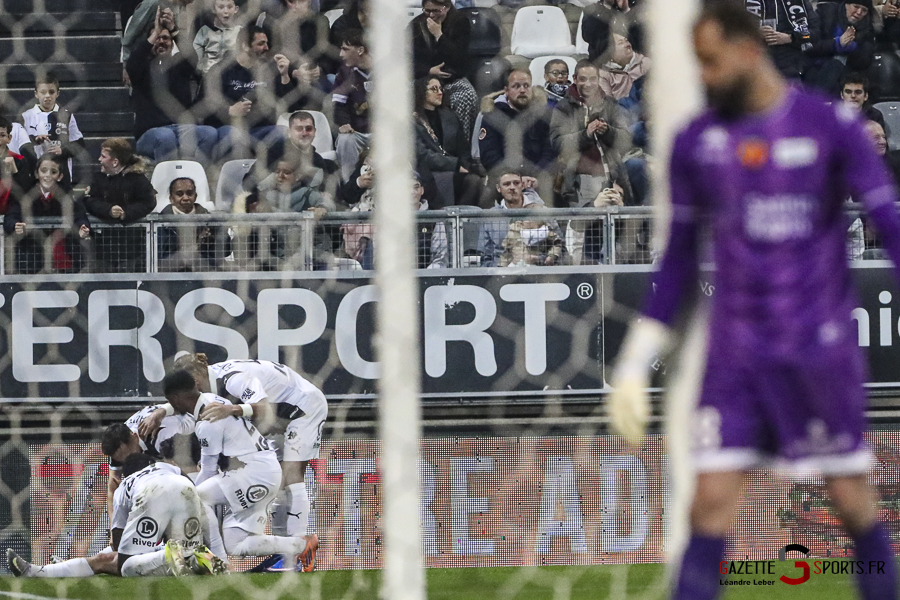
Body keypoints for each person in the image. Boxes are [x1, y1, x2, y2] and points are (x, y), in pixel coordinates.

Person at [608, 5, 899, 599]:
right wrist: (637, 360)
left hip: (819, 349)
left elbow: (889, 222)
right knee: (708, 502)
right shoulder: (699, 140)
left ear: (747, 50)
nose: (705, 77)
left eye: (711, 62)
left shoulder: (830, 125)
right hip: (738, 352)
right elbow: (679, 261)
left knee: (853, 504)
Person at [141, 356, 327, 569]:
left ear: (199, 377)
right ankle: (295, 546)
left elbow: (265, 408)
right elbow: (184, 399)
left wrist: (234, 409)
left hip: (303, 406)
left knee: (292, 477)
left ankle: (286, 558)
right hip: (263, 454)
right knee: (235, 542)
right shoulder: (210, 395)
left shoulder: (233, 382)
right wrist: (161, 411)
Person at [202, 23, 305, 161]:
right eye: (261, 43)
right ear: (245, 45)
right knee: (234, 136)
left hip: (261, 130)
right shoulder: (221, 70)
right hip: (230, 128)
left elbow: (290, 105)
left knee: (282, 133)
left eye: (267, 43)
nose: (266, 48)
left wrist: (284, 75)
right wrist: (229, 110)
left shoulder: (268, 69)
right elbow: (204, 105)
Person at [127, 24, 218, 163]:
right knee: (165, 136)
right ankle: (167, 181)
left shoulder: (180, 67)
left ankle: (195, 176)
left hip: (182, 129)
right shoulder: (142, 68)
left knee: (209, 133)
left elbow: (192, 57)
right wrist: (154, 34)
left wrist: (175, 30)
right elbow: (132, 64)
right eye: (157, 38)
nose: (162, 41)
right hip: (151, 133)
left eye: (166, 38)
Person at [478, 69, 557, 202]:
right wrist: (514, 179)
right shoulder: (493, 115)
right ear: (506, 90)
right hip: (504, 181)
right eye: (516, 86)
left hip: (537, 179)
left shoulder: (543, 116)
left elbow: (550, 151)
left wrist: (535, 176)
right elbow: (489, 155)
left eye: (526, 86)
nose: (522, 90)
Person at [3, 155, 91, 274]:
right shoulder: (26, 196)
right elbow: (11, 216)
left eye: (53, 172)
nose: (47, 175)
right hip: (32, 258)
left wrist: (83, 227)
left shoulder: (67, 197)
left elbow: (80, 216)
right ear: (36, 174)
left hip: (63, 259)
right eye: (43, 171)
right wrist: (15, 225)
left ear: (60, 176)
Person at [83, 138, 157, 273]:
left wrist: (126, 213)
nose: (99, 159)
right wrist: (108, 210)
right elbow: (89, 201)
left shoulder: (137, 179)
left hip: (131, 245)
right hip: (103, 244)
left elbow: (148, 202)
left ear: (115, 162)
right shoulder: (98, 178)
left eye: (103, 156)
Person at [410, 0, 477, 145]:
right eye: (427, 11)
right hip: (422, 78)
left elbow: (460, 58)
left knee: (467, 95)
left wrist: (439, 36)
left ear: (446, 8)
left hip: (451, 79)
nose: (431, 15)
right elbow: (406, 60)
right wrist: (429, 70)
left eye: (436, 11)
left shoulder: (460, 22)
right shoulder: (416, 24)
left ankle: (460, 147)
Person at [413, 77, 479, 207]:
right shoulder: (412, 120)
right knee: (473, 182)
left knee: (479, 183)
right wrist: (455, 165)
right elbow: (422, 154)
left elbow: (463, 148)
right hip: (430, 172)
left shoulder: (450, 116)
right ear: (421, 92)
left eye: (440, 88)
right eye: (434, 89)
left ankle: (461, 221)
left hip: (456, 170)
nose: (440, 92)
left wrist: (464, 165)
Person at [477, 167, 562, 267]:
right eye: (506, 184)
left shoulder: (542, 211)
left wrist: (540, 259)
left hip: (539, 270)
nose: (512, 187)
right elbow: (485, 258)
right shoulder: (491, 217)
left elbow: (561, 246)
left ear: (522, 186)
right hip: (502, 273)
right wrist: (503, 267)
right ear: (498, 188)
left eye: (516, 183)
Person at [21, 72, 87, 188]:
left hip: (61, 173)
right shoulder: (26, 116)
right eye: (43, 92)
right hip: (35, 172)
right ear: (36, 94)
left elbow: (79, 143)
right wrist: (35, 140)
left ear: (58, 93)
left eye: (51, 92)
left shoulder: (66, 115)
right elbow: (19, 145)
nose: (47, 96)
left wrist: (63, 150)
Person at [804, 0, 875, 94]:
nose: (859, 12)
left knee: (838, 67)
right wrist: (836, 44)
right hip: (815, 66)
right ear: (846, 5)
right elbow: (807, 45)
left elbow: (864, 61)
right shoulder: (826, 13)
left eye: (864, 10)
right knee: (833, 67)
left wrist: (852, 48)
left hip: (847, 73)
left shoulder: (867, 28)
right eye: (856, 7)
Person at [332, 29, 372, 182]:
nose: (341, 54)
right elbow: (338, 105)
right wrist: (343, 123)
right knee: (345, 140)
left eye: (345, 49)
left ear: (360, 50)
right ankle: (350, 189)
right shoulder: (344, 72)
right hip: (357, 132)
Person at [157, 177, 220, 271]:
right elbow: (158, 255)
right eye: (179, 194)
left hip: (204, 273)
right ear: (171, 198)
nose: (185, 198)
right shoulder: (159, 223)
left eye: (189, 193)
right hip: (172, 274)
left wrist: (213, 238)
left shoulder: (210, 220)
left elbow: (226, 250)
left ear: (195, 196)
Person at [746, 0, 818, 81]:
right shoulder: (742, 2)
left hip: (790, 70)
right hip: (754, 68)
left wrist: (790, 38)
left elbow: (814, 34)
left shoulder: (799, 2)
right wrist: (754, 32)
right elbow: (732, 33)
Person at [192, 0, 241, 74]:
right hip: (208, 74)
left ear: (236, 9)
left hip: (233, 74)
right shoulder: (205, 31)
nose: (226, 11)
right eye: (221, 7)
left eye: (229, 7)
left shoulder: (240, 31)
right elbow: (196, 52)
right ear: (214, 9)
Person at [0, 116, 36, 216]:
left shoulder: (19, 160)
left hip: (12, 212)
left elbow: (24, 192)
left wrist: (15, 171)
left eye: (2, 135)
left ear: (9, 138)